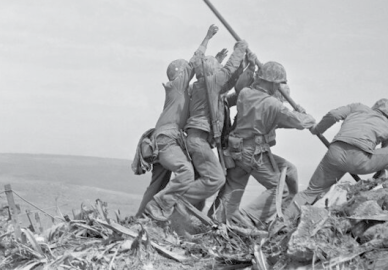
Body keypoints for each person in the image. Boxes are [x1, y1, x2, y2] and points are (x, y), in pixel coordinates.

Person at [209, 61, 316, 227]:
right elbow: (298, 122)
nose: (278, 88)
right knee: (279, 189)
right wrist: (307, 117)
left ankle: (216, 220)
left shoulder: (245, 94)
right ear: (272, 83)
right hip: (254, 152)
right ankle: (247, 217)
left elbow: (279, 120)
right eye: (277, 84)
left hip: (236, 149)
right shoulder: (272, 104)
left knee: (233, 187)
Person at [135, 25, 219, 220]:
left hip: (163, 139)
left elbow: (202, 76)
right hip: (167, 140)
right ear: (180, 73)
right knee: (186, 172)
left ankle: (140, 219)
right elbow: (195, 60)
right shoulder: (178, 85)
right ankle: (159, 207)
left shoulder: (180, 92)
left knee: (157, 184)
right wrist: (207, 37)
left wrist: (217, 63)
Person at [284, 98, 388, 220]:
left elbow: (333, 114)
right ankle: (380, 187)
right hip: (359, 160)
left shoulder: (358, 107)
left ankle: (282, 221)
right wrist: (376, 180)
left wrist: (317, 129)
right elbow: (387, 156)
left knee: (311, 192)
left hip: (335, 153)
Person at [180, 39, 249, 211]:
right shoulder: (209, 83)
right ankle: (176, 200)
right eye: (217, 68)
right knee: (216, 179)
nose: (220, 70)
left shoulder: (204, 86)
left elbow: (230, 81)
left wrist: (245, 66)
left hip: (198, 140)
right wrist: (240, 49)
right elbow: (229, 70)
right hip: (198, 140)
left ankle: (185, 217)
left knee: (201, 182)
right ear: (212, 71)